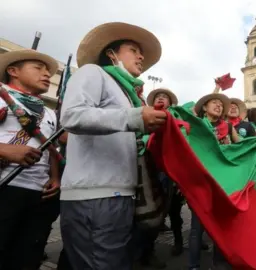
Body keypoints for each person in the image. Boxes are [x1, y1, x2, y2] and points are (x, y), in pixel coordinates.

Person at [59, 22, 165, 269]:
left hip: (119, 195)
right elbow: (72, 116)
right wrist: (135, 118)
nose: (141, 56)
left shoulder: (128, 95)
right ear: (111, 54)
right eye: (133, 49)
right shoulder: (94, 73)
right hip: (95, 196)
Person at [0, 49, 60, 269]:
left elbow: (51, 147)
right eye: (38, 68)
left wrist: (54, 177)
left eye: (48, 71)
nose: (47, 74)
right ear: (13, 71)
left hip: (39, 194)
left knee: (27, 257)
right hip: (5, 187)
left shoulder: (49, 112)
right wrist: (5, 150)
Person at [189, 86, 235, 269]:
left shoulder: (228, 127)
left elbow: (241, 147)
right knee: (196, 229)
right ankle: (193, 265)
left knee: (219, 228)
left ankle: (218, 264)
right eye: (214, 103)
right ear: (204, 107)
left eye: (220, 104)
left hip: (221, 183)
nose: (218, 106)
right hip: (199, 183)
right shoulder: (195, 125)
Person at [145, 87, 185, 258]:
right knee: (149, 212)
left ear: (170, 103)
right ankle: (148, 251)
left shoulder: (176, 119)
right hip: (150, 171)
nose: (161, 99)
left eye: (164, 97)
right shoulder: (145, 118)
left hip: (170, 173)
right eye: (158, 97)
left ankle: (179, 242)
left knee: (174, 211)